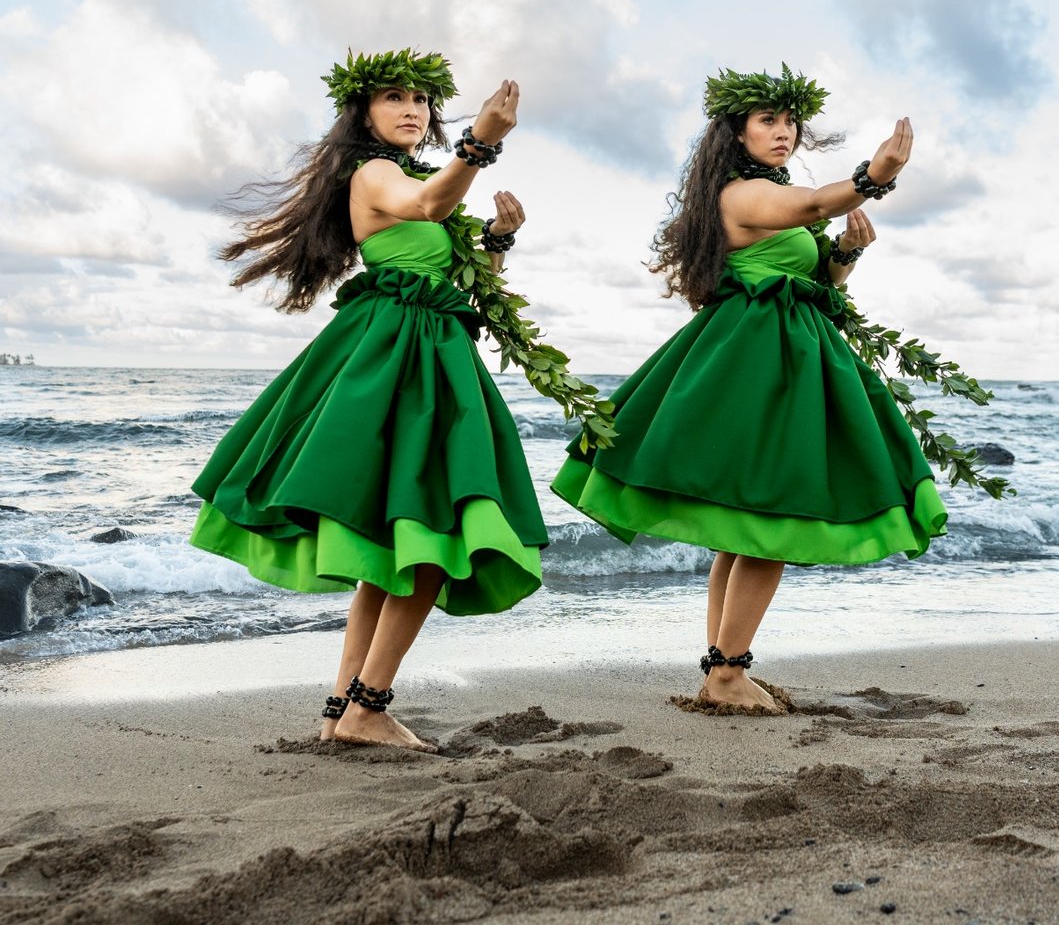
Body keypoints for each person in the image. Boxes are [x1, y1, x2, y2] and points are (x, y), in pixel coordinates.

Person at [552, 64, 947, 713]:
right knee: (771, 519)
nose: (784, 131)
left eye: (790, 121)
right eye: (769, 120)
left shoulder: (774, 198)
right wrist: (875, 176)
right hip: (756, 365)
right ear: (736, 135)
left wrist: (842, 259)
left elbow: (822, 284)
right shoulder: (740, 195)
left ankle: (721, 669)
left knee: (744, 530)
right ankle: (729, 673)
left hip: (786, 359)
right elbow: (819, 202)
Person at [191, 48, 545, 749]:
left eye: (421, 101)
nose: (412, 110)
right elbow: (425, 204)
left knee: (395, 545)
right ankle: (368, 706)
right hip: (396, 360)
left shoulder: (422, 175)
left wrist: (497, 240)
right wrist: (483, 143)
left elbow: (469, 279)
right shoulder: (376, 173)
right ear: (364, 113)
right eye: (395, 99)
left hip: (432, 352)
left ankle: (343, 709)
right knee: (432, 535)